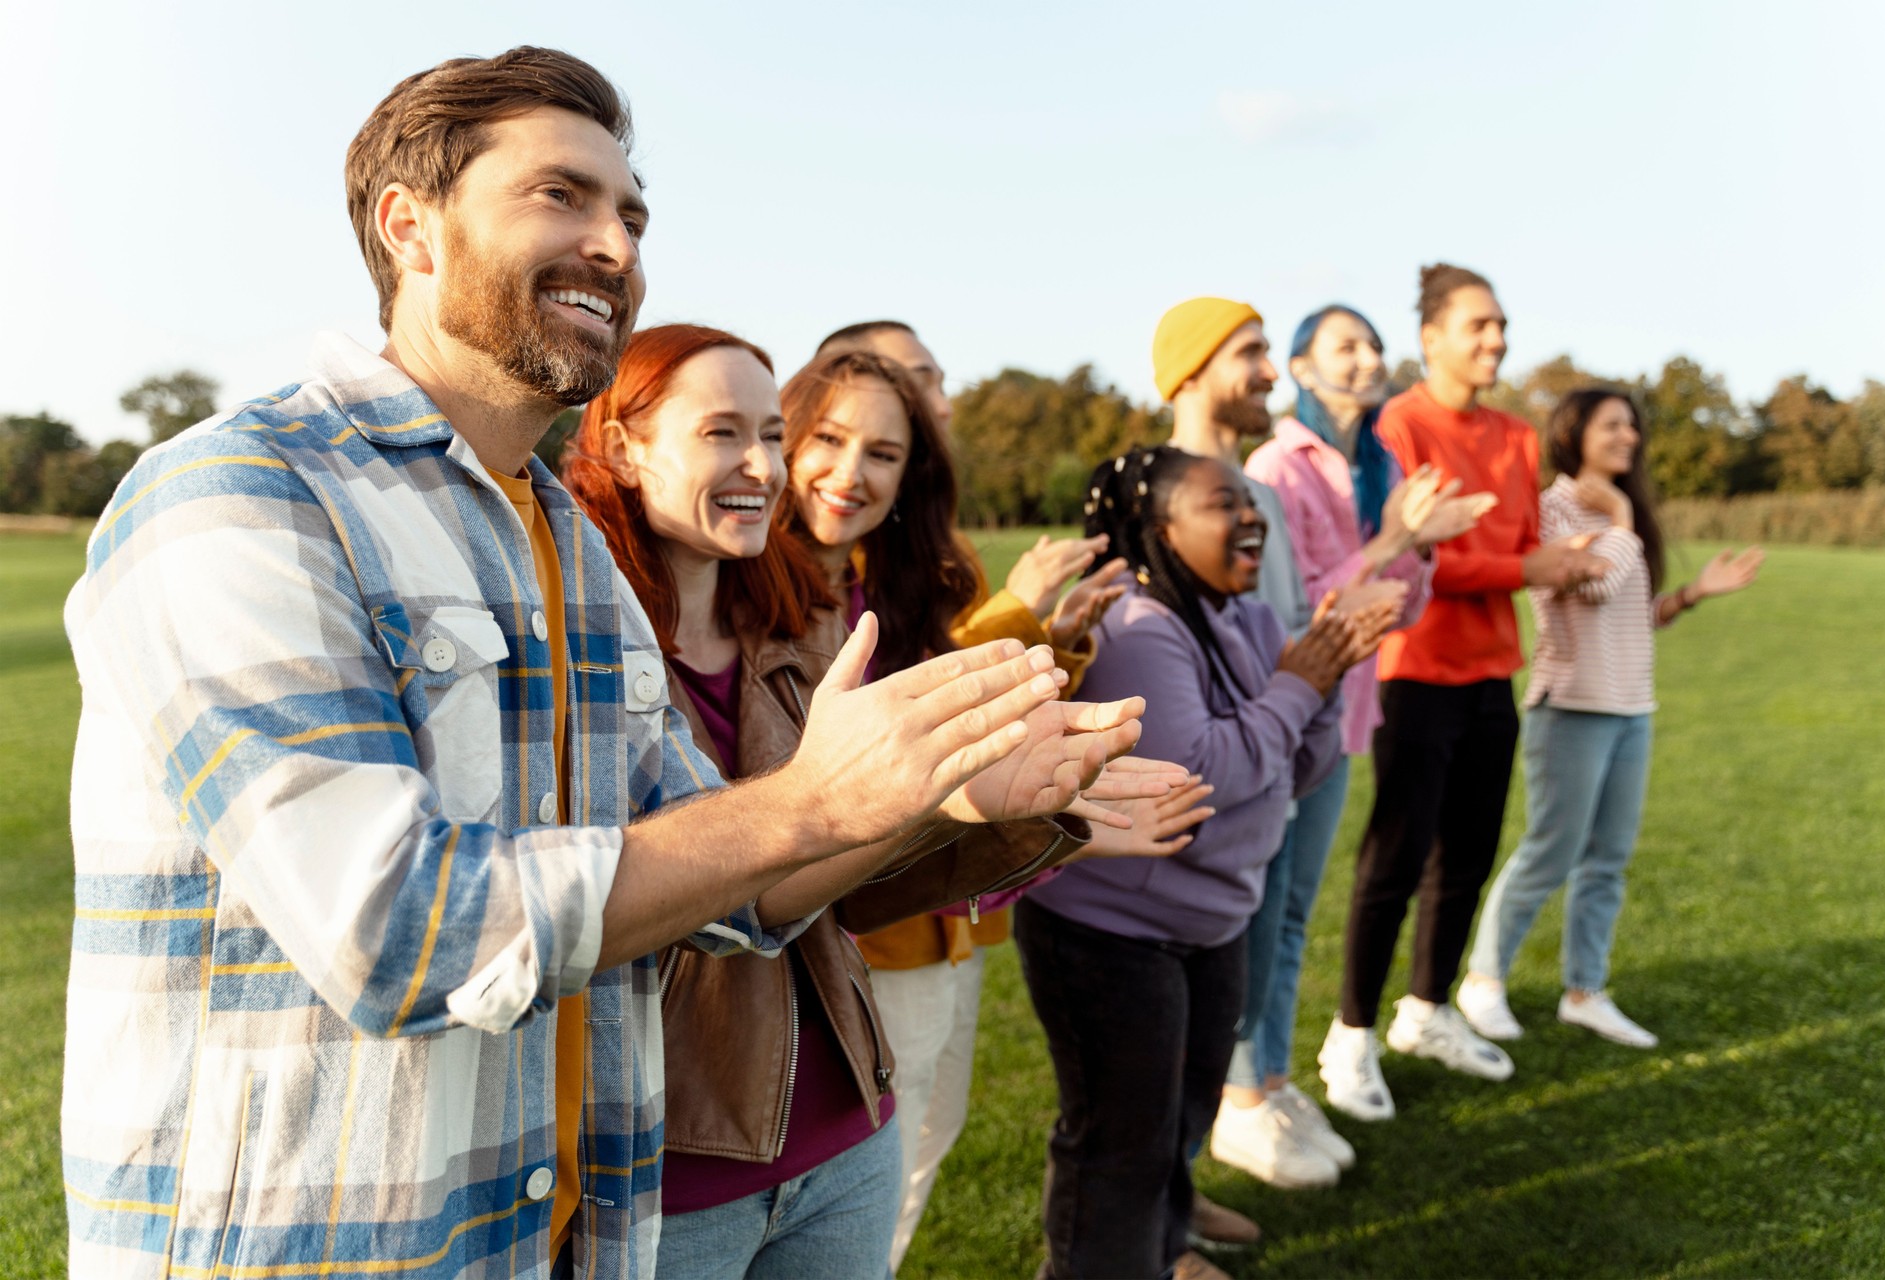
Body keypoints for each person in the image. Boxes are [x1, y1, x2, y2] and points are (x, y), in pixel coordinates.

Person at [61, 49, 1157, 1278]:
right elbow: (396, 928)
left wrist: (928, 796)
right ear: (407, 227)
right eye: (561, 196)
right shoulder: (242, 493)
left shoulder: (566, 547)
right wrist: (811, 798)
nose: (618, 246)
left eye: (631, 214)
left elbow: (727, 878)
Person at [563, 323, 1163, 1278]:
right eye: (725, 432)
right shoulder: (570, 652)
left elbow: (816, 893)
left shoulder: (806, 624)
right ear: (625, 447)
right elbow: (636, 907)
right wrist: (929, 793)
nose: (764, 464)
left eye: (770, 434)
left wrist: (962, 803)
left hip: (846, 1132)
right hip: (668, 1161)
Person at [1017, 444, 1393, 1280]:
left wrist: (1321, 687)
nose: (1253, 515)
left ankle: (1164, 1250)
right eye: (1226, 503)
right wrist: (1299, 688)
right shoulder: (1138, 627)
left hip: (1211, 922)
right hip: (1111, 934)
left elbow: (1294, 770)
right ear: (1159, 530)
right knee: (1120, 1136)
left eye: (1252, 502)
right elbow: (1200, 779)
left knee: (1182, 1118)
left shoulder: (1249, 618)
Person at [810, 321, 1130, 1270]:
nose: (935, 401)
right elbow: (909, 708)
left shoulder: (914, 557)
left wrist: (1052, 644)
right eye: (914, 383)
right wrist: (1022, 610)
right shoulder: (815, 568)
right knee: (880, 1151)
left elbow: (967, 691)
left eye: (927, 391)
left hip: (951, 904)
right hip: (882, 914)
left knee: (923, 1138)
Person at [1318, 264, 1612, 1123]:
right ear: (1431, 339)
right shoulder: (1397, 425)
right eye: (1477, 325)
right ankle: (1350, 1037)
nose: (1495, 340)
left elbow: (1522, 544)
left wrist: (1576, 556)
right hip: (1414, 673)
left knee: (1469, 857)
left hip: (1493, 674)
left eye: (1501, 325)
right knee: (1395, 860)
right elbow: (1418, 557)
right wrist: (1525, 567)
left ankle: (1428, 1011)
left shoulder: (1519, 436)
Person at [1215, 305, 1491, 1187]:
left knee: (1294, 912)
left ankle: (1276, 1078)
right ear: (1301, 365)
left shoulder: (1379, 461)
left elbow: (1396, 609)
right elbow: (1301, 615)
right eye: (1347, 345)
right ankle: (1239, 1099)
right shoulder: (1274, 466)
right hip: (1282, 712)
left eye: (1374, 346)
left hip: (1345, 717)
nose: (1369, 359)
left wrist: (1420, 552)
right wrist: (1396, 540)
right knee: (1257, 915)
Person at [1460, 388, 1763, 1049]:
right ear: (1575, 434)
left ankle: (1585, 992)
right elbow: (1591, 585)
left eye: (1633, 425)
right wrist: (1623, 518)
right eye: (1613, 424)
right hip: (1570, 706)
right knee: (1551, 851)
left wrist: (1691, 594)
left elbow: (1633, 610)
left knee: (1607, 862)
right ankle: (1482, 984)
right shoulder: (1553, 508)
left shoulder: (1618, 523)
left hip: (1632, 709)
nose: (1629, 436)